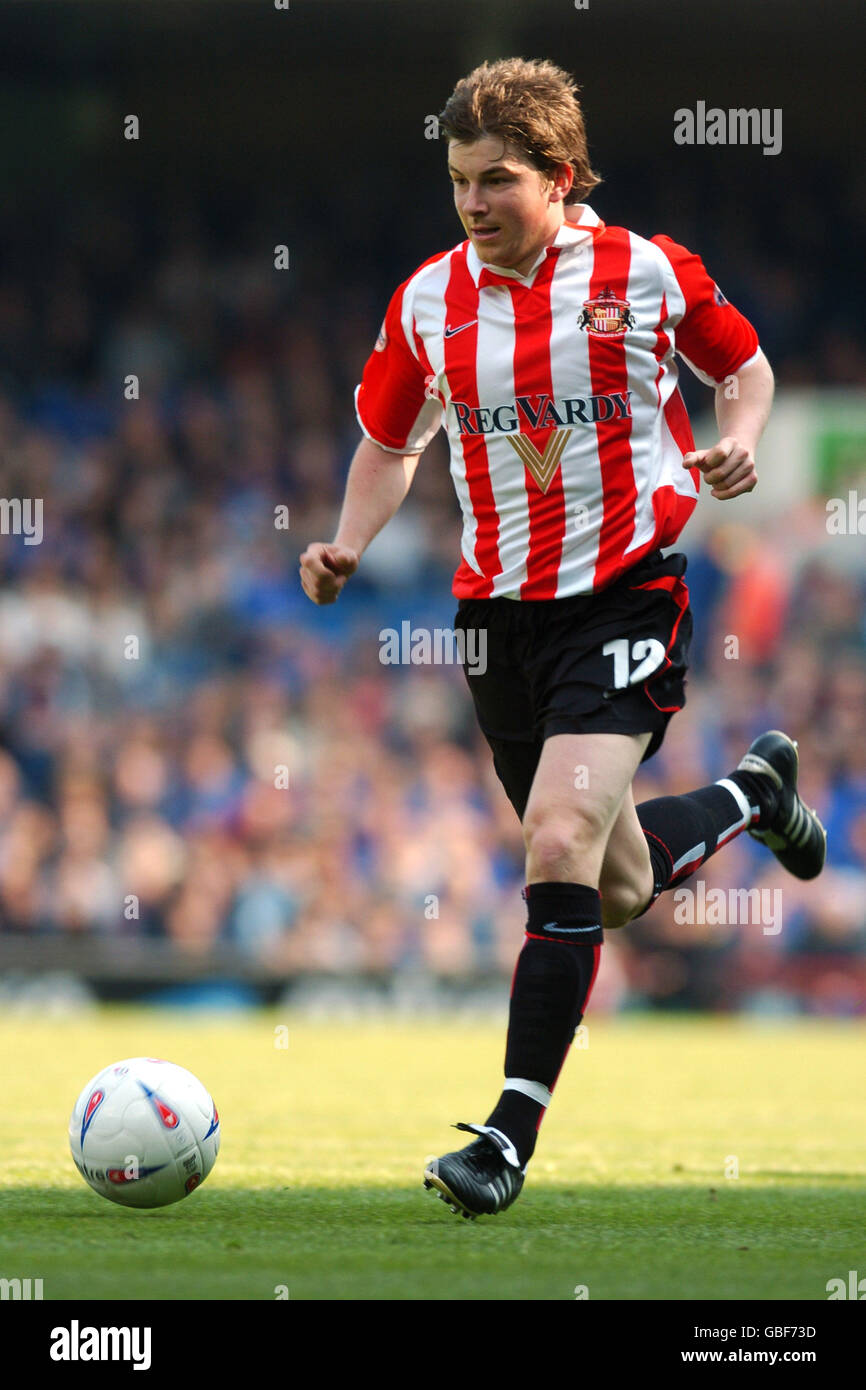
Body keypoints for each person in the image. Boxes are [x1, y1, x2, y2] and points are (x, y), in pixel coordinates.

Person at [299, 57, 826, 1219]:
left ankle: (504, 1136)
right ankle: (750, 798)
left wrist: (736, 438)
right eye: (455, 183)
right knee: (615, 880)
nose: (472, 204)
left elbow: (743, 369)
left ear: (561, 175)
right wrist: (344, 540)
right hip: (497, 620)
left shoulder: (642, 272)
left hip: (626, 594)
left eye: (495, 181)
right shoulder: (426, 301)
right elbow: (390, 445)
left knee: (556, 838)